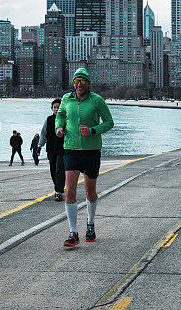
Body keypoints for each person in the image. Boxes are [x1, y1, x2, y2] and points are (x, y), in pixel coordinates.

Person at [56, 68, 114, 247]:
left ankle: (90, 224)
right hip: (71, 148)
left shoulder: (97, 100)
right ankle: (73, 232)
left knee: (90, 191)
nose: (79, 84)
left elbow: (109, 122)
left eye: (82, 81)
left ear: (88, 83)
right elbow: (60, 115)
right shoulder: (67, 99)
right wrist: (59, 127)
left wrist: (93, 130)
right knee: (70, 190)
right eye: (76, 81)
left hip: (91, 150)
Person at [39, 98, 65, 201]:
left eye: (59, 107)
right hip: (50, 149)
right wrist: (39, 147)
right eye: (55, 107)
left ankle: (59, 192)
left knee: (60, 170)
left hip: (62, 149)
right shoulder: (48, 120)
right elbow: (43, 134)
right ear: (52, 108)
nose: (57, 109)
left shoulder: (65, 119)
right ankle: (58, 188)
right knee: (53, 170)